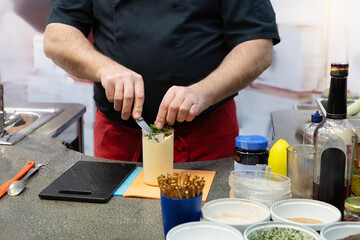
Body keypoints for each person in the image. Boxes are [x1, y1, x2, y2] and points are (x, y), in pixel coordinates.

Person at [44, 0, 280, 162]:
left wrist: (203, 92)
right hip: (120, 139)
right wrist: (105, 68)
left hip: (205, 135)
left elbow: (258, 46)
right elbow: (57, 37)